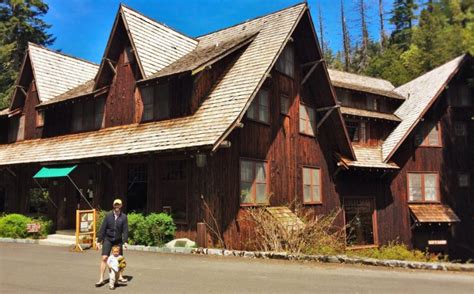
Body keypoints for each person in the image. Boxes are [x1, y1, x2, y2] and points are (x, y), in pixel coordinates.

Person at [95, 199, 129, 287]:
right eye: (115, 205)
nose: (117, 206)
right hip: (108, 239)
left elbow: (125, 230)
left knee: (120, 259)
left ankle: (120, 276)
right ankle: (101, 279)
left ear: (121, 206)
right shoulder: (108, 215)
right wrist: (99, 241)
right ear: (113, 205)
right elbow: (103, 228)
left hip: (118, 240)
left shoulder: (124, 217)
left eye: (119, 205)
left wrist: (125, 241)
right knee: (104, 258)